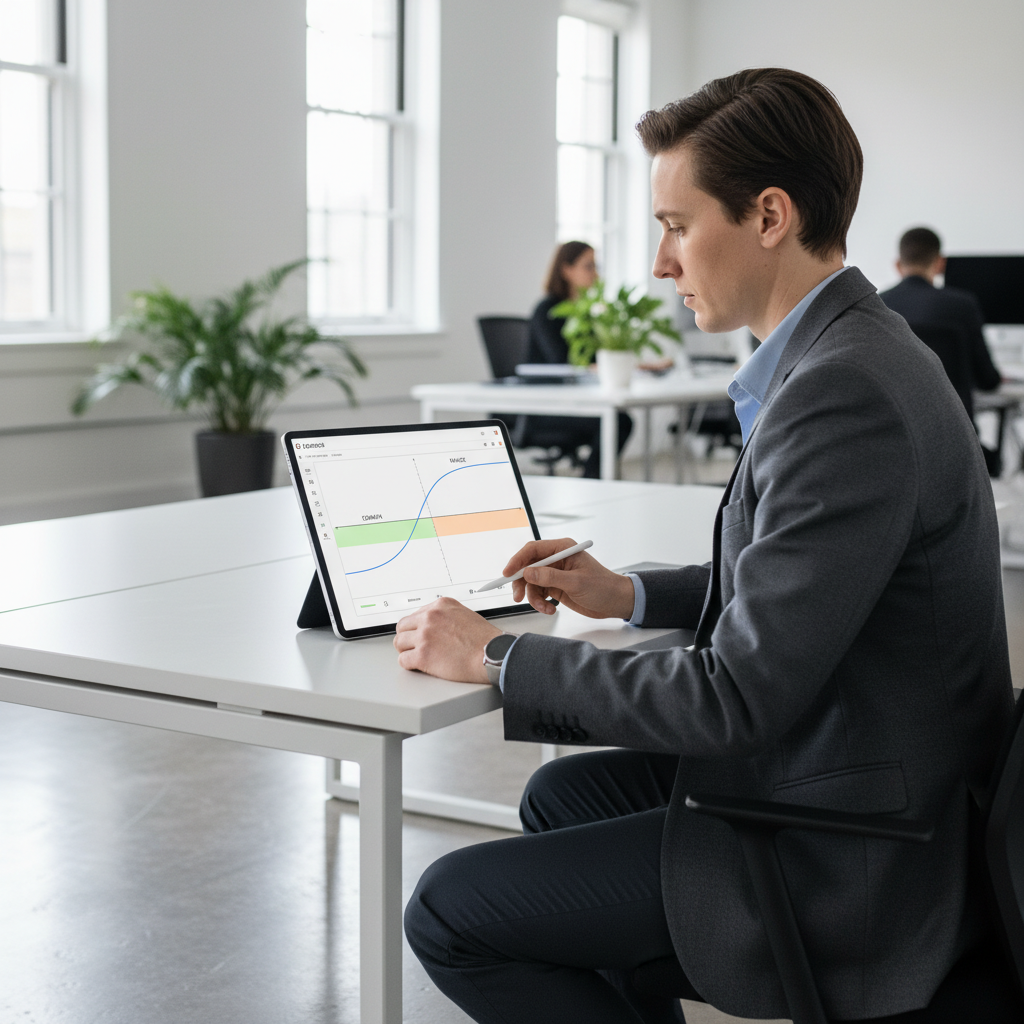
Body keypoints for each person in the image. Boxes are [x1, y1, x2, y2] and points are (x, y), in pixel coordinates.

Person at [396, 68, 1014, 1024]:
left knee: (448, 912)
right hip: (874, 766)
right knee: (565, 798)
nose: (659, 263)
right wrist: (626, 595)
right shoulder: (856, 352)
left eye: (677, 226)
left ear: (769, 215)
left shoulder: (843, 393)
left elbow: (734, 698)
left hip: (860, 847)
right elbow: (805, 587)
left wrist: (496, 655)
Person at [880, 226, 1003, 474]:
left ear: (897, 264)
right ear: (939, 263)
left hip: (894, 443)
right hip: (956, 445)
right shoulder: (963, 305)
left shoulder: (879, 306)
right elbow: (988, 380)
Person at [519, 241, 632, 478]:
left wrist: (635, 365)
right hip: (543, 408)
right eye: (588, 266)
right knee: (618, 421)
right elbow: (561, 361)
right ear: (566, 270)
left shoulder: (586, 310)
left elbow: (596, 358)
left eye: (595, 266)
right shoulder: (547, 310)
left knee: (619, 419)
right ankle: (593, 484)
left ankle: (594, 482)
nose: (595, 273)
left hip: (576, 402)